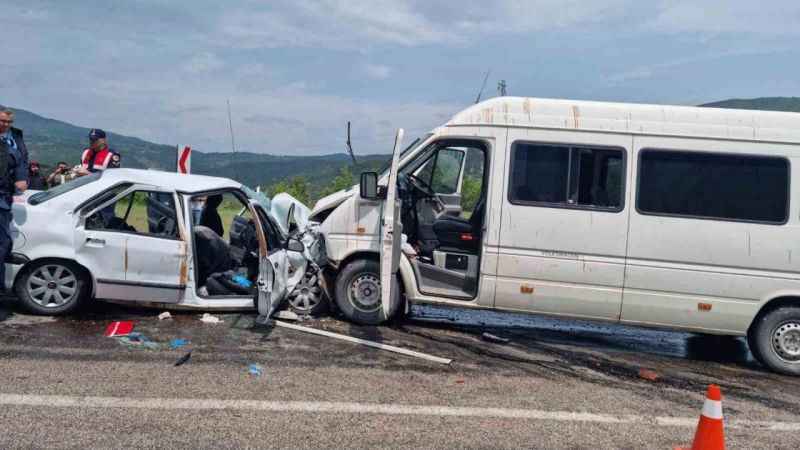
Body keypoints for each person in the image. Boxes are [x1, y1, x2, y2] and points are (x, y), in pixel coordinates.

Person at [0, 108, 28, 293]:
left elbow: (20, 162)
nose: (5, 124)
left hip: (3, 197)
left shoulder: (12, 146)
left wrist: (21, 178)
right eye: (2, 121)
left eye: (8, 122)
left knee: (3, 242)